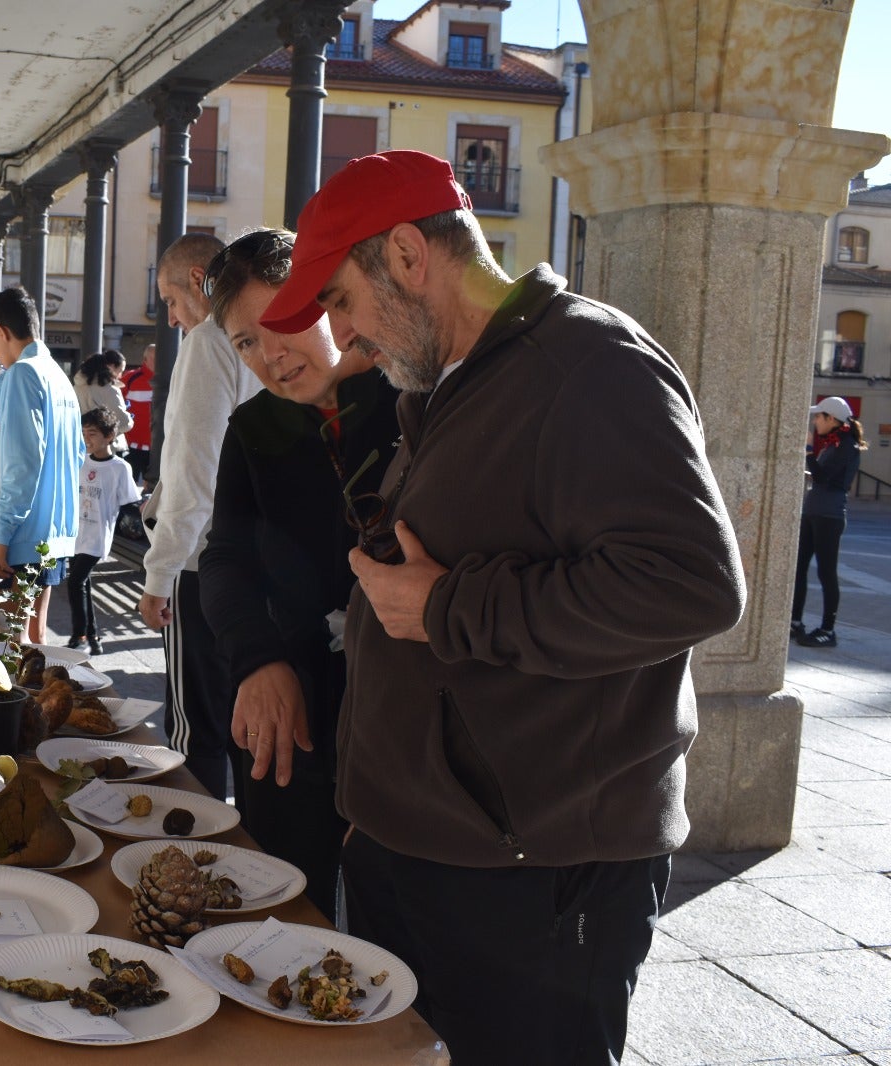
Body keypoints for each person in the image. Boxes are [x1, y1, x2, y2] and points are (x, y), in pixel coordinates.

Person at [261, 150, 745, 1065]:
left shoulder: (592, 365)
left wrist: (449, 607)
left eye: (340, 300)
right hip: (424, 848)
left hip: (537, 872)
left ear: (407, 254)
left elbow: (693, 584)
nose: (348, 335)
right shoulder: (459, 378)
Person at [197, 227, 400, 922]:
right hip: (294, 706)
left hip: (406, 720)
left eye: (283, 321)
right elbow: (225, 557)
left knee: (393, 935)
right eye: (246, 342)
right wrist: (257, 660)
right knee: (283, 909)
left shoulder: (411, 399)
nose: (270, 355)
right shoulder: (254, 428)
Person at [139, 233, 263, 800]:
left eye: (168, 299)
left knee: (198, 733)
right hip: (255, 562)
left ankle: (195, 856)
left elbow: (194, 470)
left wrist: (160, 575)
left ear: (197, 280)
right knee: (248, 729)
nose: (169, 317)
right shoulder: (261, 340)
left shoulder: (210, 342)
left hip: (200, 565)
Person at [0, 286, 84, 643]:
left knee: (9, 646)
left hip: (24, 535)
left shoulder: (22, 373)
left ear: (2, 332)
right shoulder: (58, 376)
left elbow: (23, 464)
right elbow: (74, 453)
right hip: (55, 534)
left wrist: (0, 533)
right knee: (34, 643)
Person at [66, 405, 142, 654]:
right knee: (83, 583)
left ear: (109, 436)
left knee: (75, 581)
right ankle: (94, 637)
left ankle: (80, 637)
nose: (86, 439)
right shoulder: (80, 460)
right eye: (84, 433)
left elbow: (130, 502)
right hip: (76, 534)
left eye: (92, 434)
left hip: (98, 537)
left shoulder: (120, 468)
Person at [792, 395, 866, 647]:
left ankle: (827, 630)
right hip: (814, 512)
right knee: (799, 567)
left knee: (826, 573)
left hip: (829, 516)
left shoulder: (847, 447)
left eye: (819, 416)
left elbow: (824, 478)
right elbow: (821, 476)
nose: (815, 420)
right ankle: (795, 621)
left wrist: (810, 449)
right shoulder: (834, 444)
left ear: (831, 419)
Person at [74, 352, 134, 439]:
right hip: (106, 444)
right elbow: (125, 423)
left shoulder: (76, 387)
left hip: (82, 440)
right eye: (120, 371)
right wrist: (128, 416)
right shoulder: (110, 390)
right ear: (111, 367)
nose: (120, 376)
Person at [122, 344, 157, 486]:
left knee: (154, 491)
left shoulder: (172, 378)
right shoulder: (130, 378)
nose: (159, 362)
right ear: (145, 359)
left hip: (158, 446)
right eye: (155, 358)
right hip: (132, 445)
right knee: (129, 487)